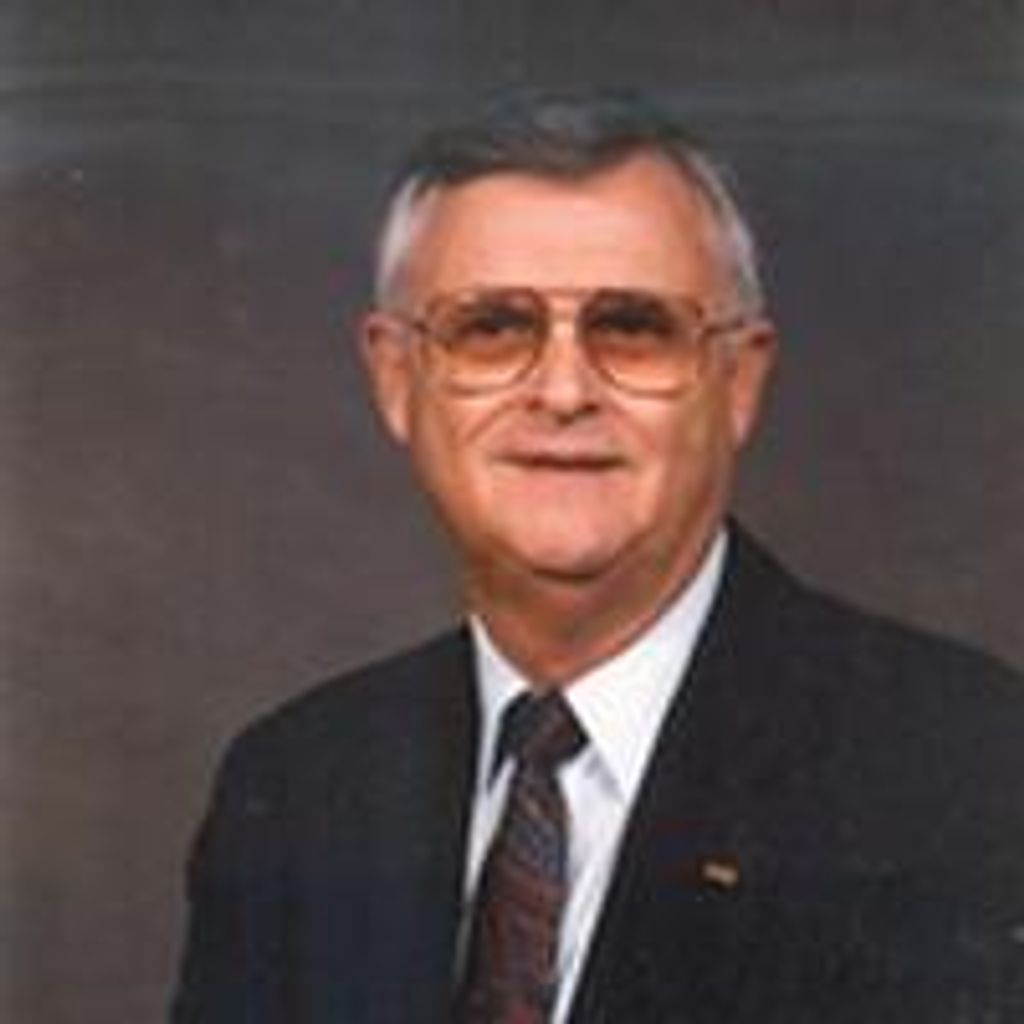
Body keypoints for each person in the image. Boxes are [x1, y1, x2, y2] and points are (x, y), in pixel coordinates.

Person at [171, 92, 1024, 1023]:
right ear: (396, 379)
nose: (564, 391)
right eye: (492, 328)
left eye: (634, 329)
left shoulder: (963, 770)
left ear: (738, 381)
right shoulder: (299, 786)